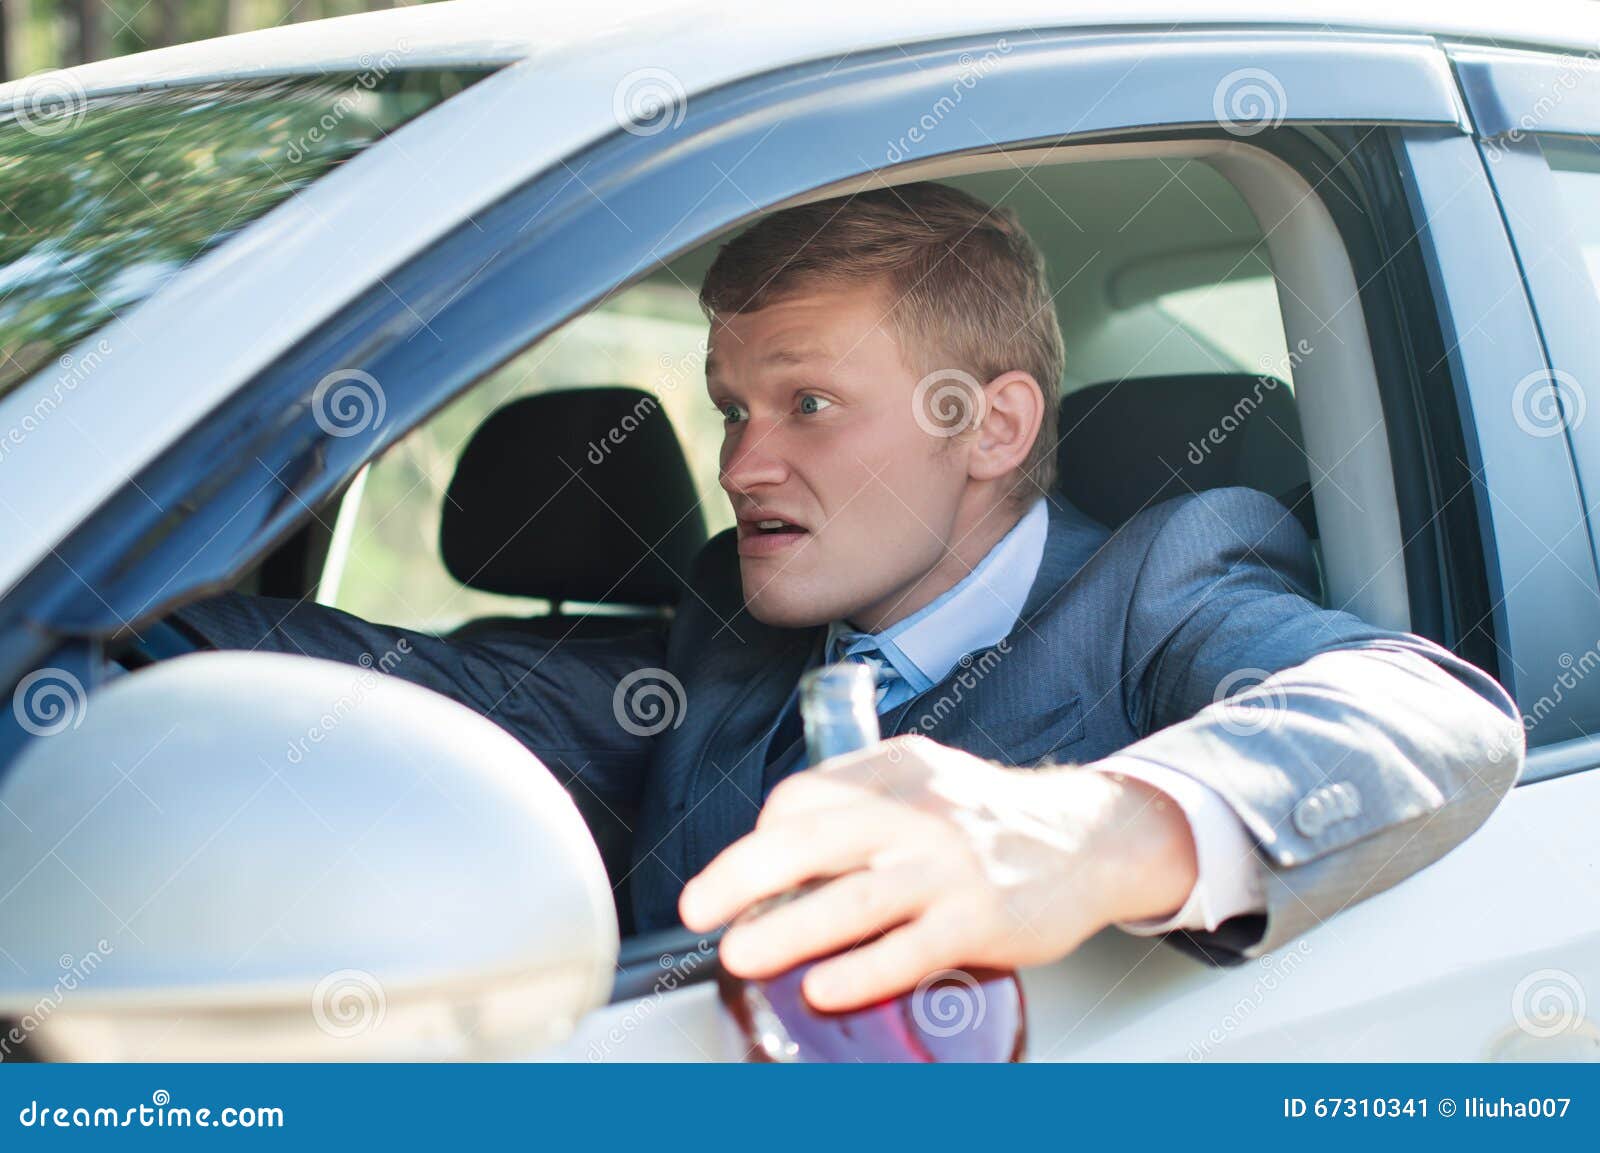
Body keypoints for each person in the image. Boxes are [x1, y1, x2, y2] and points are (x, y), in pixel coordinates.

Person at [174, 183, 1523, 1014]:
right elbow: (423, 687)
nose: (742, 463)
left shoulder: (1172, 574)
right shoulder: (732, 616)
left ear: (991, 427)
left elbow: (1429, 714)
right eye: (733, 409)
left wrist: (1087, 833)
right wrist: (99, 626)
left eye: (808, 403)